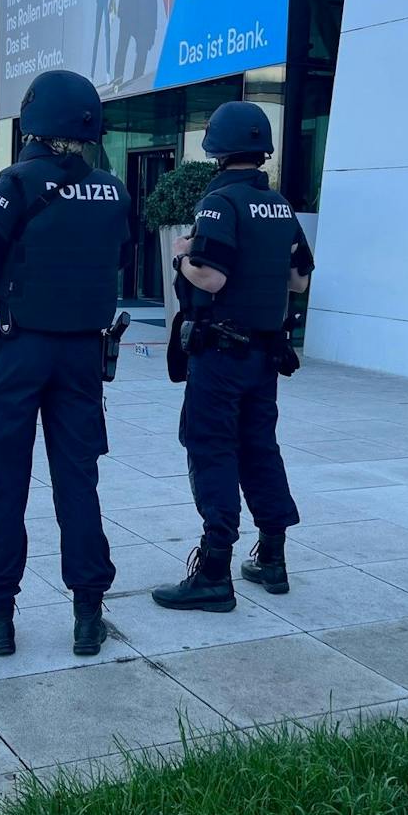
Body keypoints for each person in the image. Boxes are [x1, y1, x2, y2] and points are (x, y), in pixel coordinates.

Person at [0, 69, 132, 657]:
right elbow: (116, 258)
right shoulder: (114, 190)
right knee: (78, 484)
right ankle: (88, 615)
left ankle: (0, 618)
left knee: (4, 484)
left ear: (37, 119)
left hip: (18, 351)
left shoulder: (17, 182)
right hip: (83, 356)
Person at [152, 101, 312, 613]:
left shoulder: (219, 203)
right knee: (260, 449)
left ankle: (214, 571)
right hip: (265, 356)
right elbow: (299, 279)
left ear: (217, 148)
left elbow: (211, 276)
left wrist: (181, 254)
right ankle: (273, 558)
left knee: (213, 449)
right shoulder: (280, 205)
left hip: (221, 354)